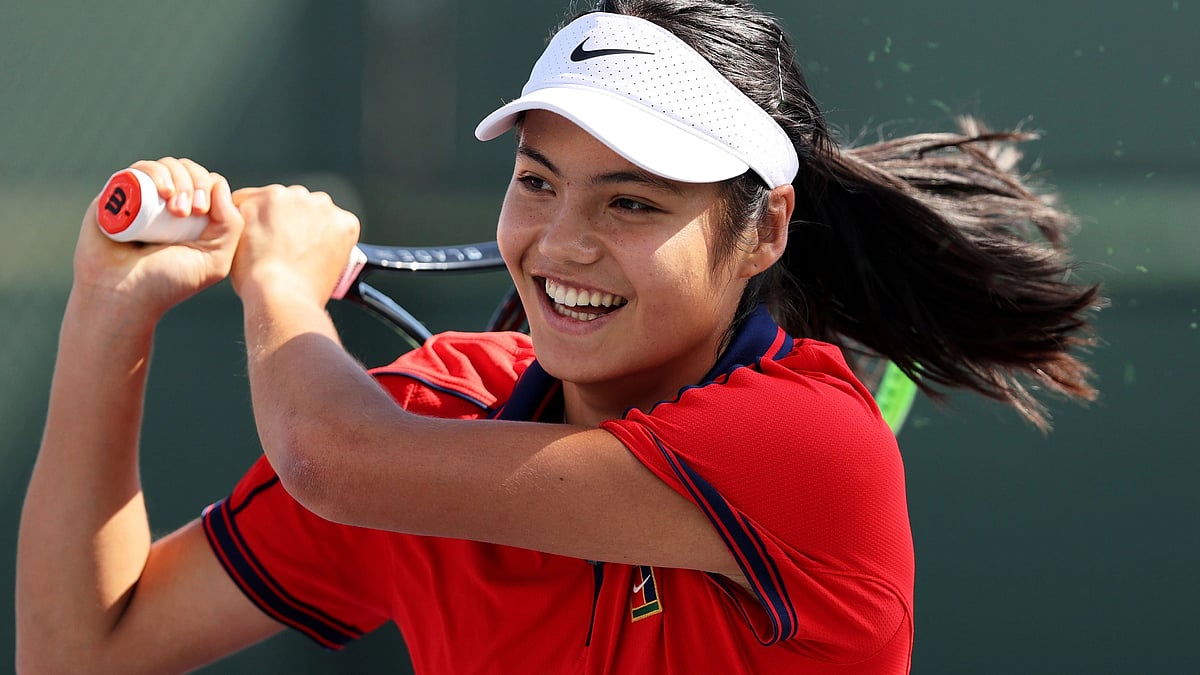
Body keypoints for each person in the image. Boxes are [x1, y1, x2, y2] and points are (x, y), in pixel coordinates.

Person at [16, 1, 1102, 673]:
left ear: (764, 226)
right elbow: (83, 651)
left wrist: (281, 287)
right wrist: (113, 305)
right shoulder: (428, 417)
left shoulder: (808, 443)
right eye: (539, 183)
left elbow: (331, 460)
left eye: (631, 205)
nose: (562, 244)